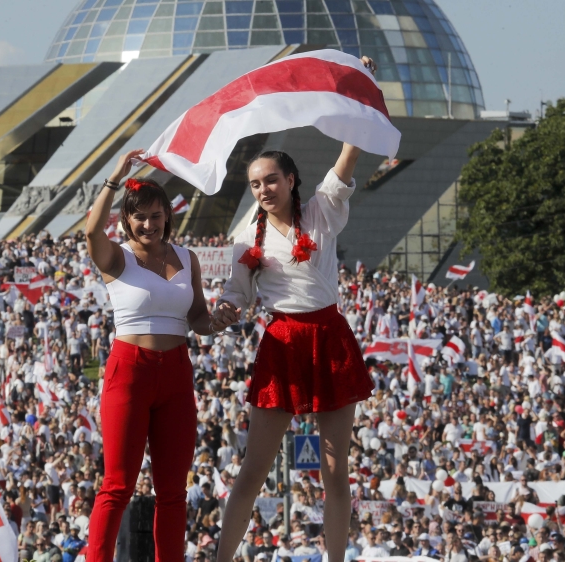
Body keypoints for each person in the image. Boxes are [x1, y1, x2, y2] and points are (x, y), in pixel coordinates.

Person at [210, 56, 379, 562]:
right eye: (256, 183)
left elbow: (350, 151)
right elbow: (235, 294)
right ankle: (220, 558)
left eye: (271, 180)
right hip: (281, 343)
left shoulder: (322, 210)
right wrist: (221, 311)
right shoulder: (246, 237)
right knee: (253, 470)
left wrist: (361, 89)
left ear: (290, 179)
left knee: (334, 470)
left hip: (329, 338)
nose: (263, 189)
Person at [83, 149, 216, 562]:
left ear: (167, 218)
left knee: (173, 491)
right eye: (139, 217)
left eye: (156, 216)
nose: (148, 224)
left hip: (177, 372)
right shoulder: (117, 257)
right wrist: (115, 178)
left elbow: (198, 319)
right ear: (126, 221)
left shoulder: (187, 258)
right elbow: (90, 233)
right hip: (130, 370)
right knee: (117, 484)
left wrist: (220, 319)